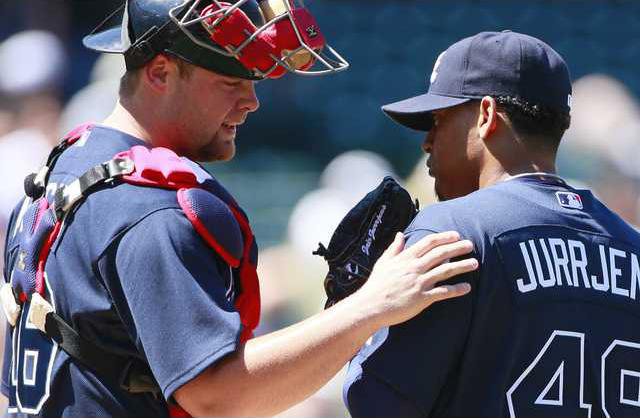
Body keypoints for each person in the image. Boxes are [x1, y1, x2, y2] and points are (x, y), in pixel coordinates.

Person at [0, 1, 479, 417]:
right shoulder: (150, 211)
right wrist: (373, 306)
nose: (251, 101)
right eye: (230, 80)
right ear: (161, 72)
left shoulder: (63, 168)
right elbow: (220, 397)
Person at [344, 30, 640, 418]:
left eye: (437, 120)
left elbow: (374, 402)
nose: (427, 142)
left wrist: (359, 311)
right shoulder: (632, 247)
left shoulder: (451, 233)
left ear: (486, 116)